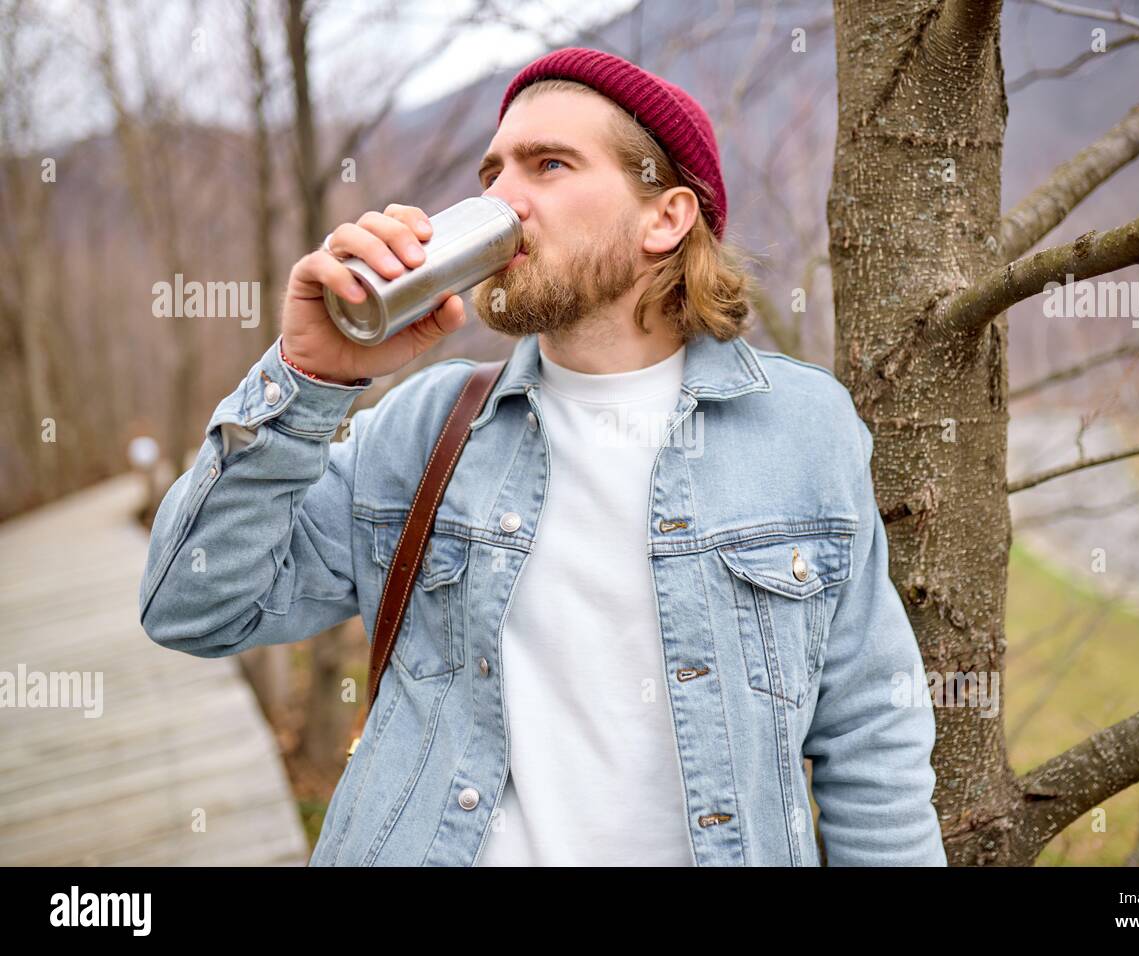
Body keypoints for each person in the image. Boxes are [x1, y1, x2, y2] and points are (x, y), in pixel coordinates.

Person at [139, 46, 948, 867]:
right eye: (492, 173)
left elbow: (871, 736)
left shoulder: (802, 430)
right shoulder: (426, 426)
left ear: (664, 219)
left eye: (548, 164)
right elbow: (192, 606)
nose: (501, 201)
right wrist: (306, 379)